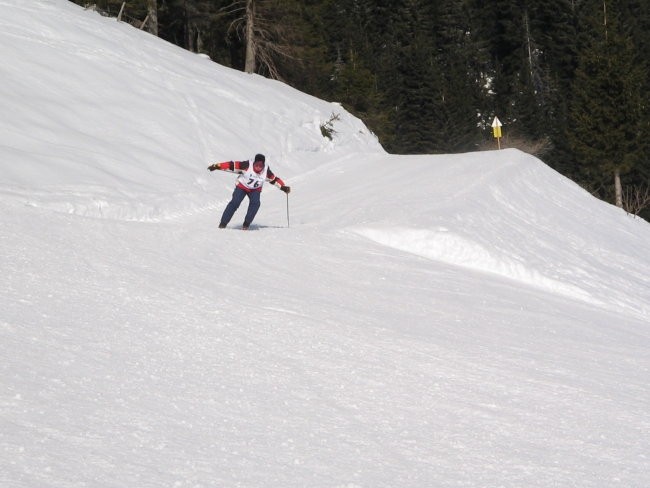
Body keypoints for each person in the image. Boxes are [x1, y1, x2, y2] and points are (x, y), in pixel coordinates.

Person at [208, 153, 290, 230]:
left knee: (256, 203)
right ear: (254, 163)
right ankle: (223, 224)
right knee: (235, 202)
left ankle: (246, 224)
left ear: (263, 165)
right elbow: (231, 165)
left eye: (260, 165)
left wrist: (283, 187)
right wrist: (217, 166)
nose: (258, 167)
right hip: (242, 187)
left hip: (255, 190)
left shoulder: (266, 172)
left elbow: (274, 180)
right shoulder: (246, 165)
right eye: (256, 165)